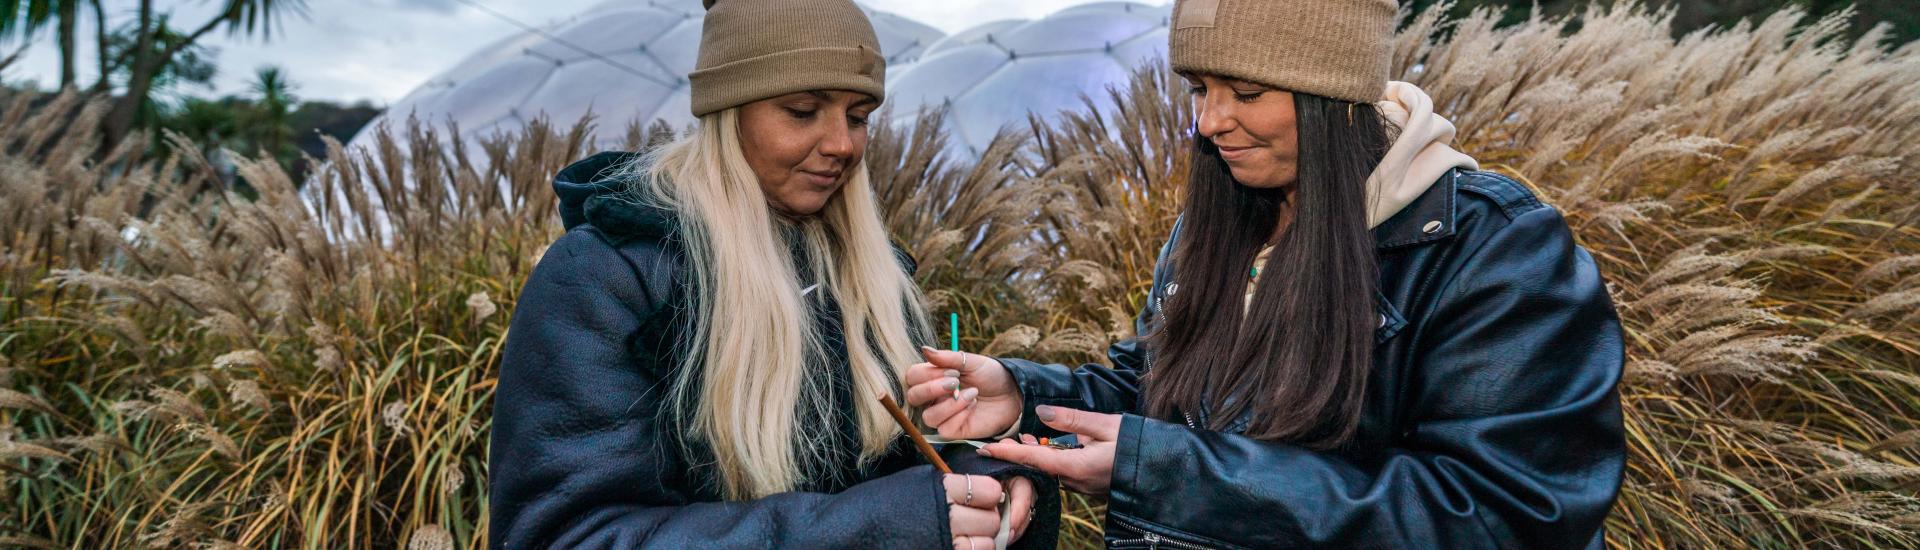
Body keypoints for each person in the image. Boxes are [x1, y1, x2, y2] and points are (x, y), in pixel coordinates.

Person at [903, 0, 1626, 547]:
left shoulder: (1493, 251)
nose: (1211, 122)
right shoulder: (1219, 225)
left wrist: (1170, 472)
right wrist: (1025, 396)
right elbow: (1162, 395)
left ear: (1332, 94)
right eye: (1199, 89)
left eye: (1246, 93)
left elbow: (1507, 518)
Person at [489, 1, 1056, 548]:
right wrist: (888, 527)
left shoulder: (876, 277)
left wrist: (993, 473)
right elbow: (569, 535)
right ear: (729, 111)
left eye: (858, 118)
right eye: (803, 111)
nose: (841, 145)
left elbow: (919, 459)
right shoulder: (607, 278)